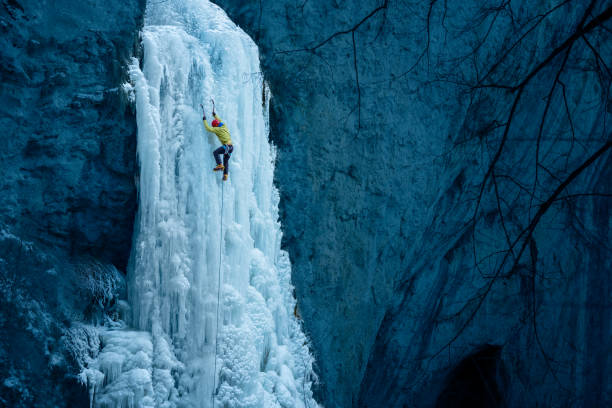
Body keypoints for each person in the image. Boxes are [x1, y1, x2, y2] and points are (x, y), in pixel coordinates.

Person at [203, 108, 233, 181]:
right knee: (225, 161)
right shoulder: (223, 126)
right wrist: (214, 115)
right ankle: (225, 175)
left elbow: (208, 128)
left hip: (227, 147)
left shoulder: (217, 129)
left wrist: (204, 120)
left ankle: (219, 164)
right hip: (231, 147)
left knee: (215, 152)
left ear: (215, 126)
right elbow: (220, 120)